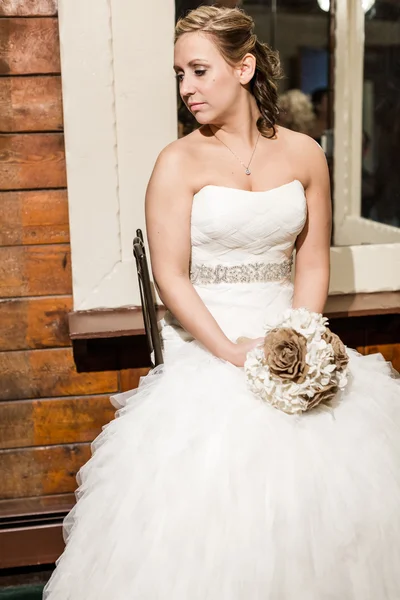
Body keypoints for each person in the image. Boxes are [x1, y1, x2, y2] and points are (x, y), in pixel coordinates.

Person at [44, 6, 400, 599]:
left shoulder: (306, 153)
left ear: (244, 67)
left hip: (289, 333)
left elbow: (312, 262)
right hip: (209, 343)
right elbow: (170, 277)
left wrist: (300, 340)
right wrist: (233, 352)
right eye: (179, 75)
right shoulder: (177, 162)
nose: (187, 88)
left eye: (199, 71)